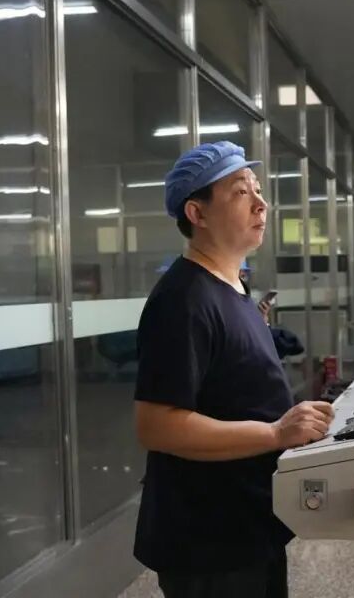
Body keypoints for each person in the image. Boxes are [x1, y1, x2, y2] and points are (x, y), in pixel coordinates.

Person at [133, 141, 334, 598]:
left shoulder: (233, 288)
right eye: (241, 192)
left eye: (258, 189)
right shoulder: (183, 301)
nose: (261, 203)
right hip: (208, 542)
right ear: (197, 213)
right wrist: (275, 433)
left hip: (250, 523)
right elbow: (157, 426)